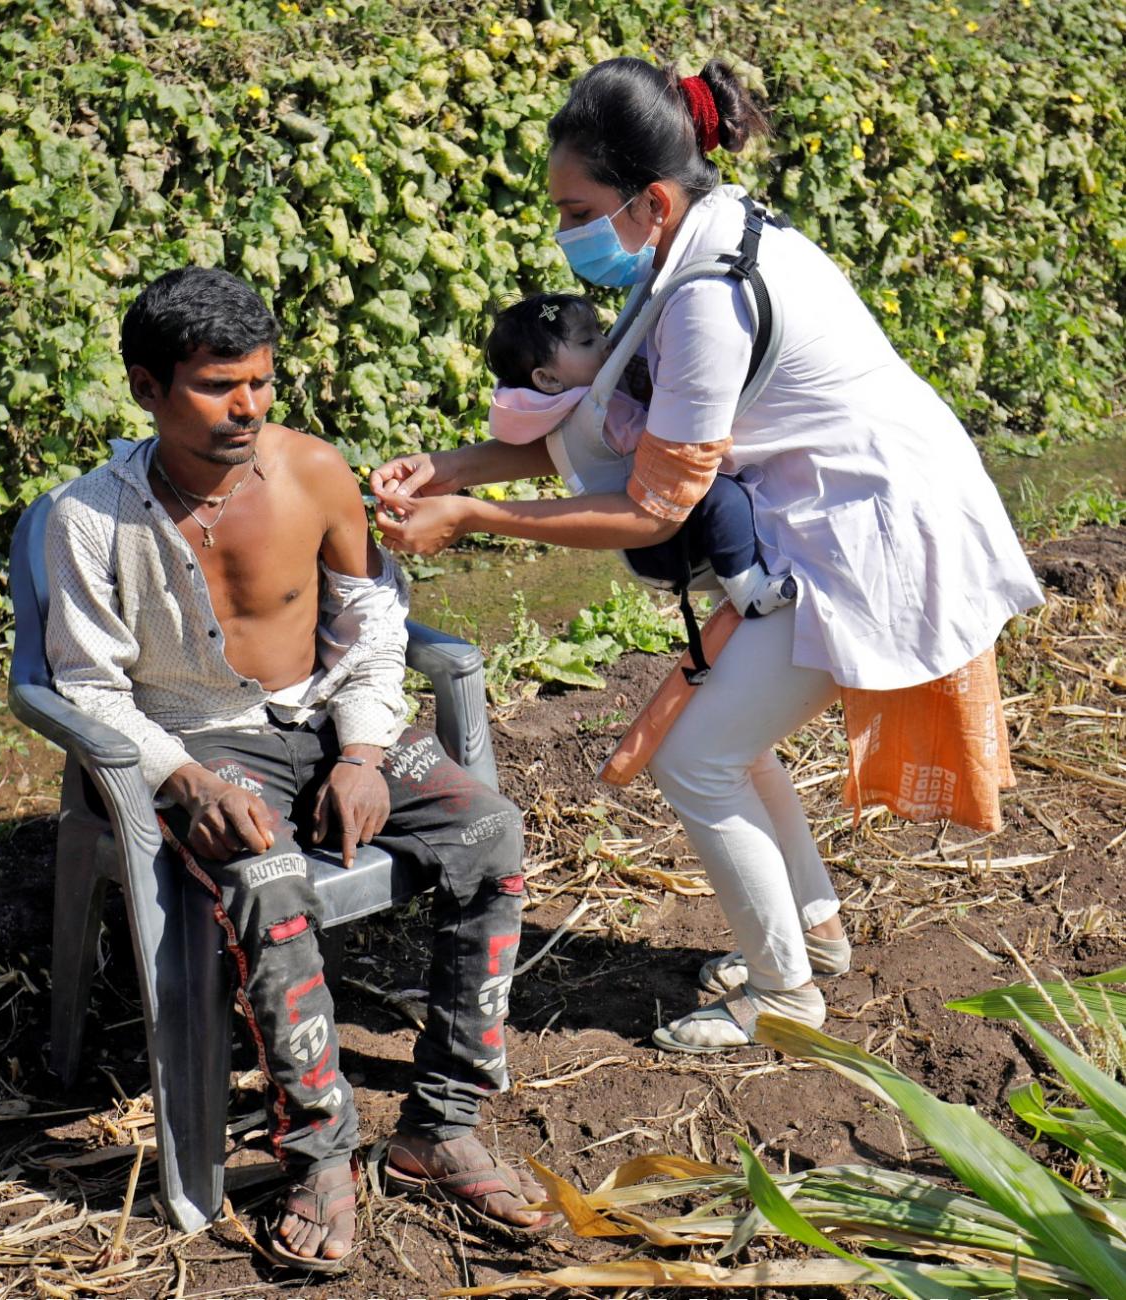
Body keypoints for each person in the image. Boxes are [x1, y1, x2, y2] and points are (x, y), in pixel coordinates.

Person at [371, 58, 1043, 1055]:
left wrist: (472, 517)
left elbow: (649, 505)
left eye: (574, 209)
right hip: (825, 520)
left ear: (645, 198)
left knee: (697, 760)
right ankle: (810, 934)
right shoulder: (692, 241)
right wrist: (453, 467)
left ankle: (782, 998)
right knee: (730, 739)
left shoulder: (705, 296)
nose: (563, 234)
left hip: (875, 538)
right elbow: (605, 422)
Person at [44, 267, 546, 1271]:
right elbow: (85, 688)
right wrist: (183, 779)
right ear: (147, 387)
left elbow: (371, 626)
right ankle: (319, 1152)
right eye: (216, 386)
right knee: (267, 882)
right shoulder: (89, 518)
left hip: (328, 720)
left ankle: (438, 1126)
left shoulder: (313, 472)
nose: (247, 407)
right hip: (205, 746)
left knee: (489, 828)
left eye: (262, 383)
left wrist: (364, 750)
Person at [485, 290, 796, 620]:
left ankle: (734, 584)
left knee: (721, 497)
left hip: (647, 543)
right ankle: (749, 591)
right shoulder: (597, 417)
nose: (606, 344)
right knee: (723, 498)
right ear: (547, 379)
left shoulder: (562, 410)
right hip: (658, 542)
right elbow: (667, 442)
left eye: (600, 332)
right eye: (587, 342)